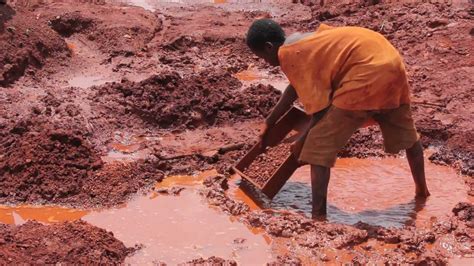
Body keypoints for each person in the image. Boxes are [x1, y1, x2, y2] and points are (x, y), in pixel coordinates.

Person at [246, 19, 430, 217]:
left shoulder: (288, 54)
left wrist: (303, 140)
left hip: (365, 72)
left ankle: (318, 217)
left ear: (269, 47)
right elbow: (295, 87)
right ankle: (422, 192)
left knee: (317, 146)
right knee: (409, 137)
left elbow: (320, 111)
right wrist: (269, 121)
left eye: (262, 57)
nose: (265, 62)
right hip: (391, 64)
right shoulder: (304, 41)